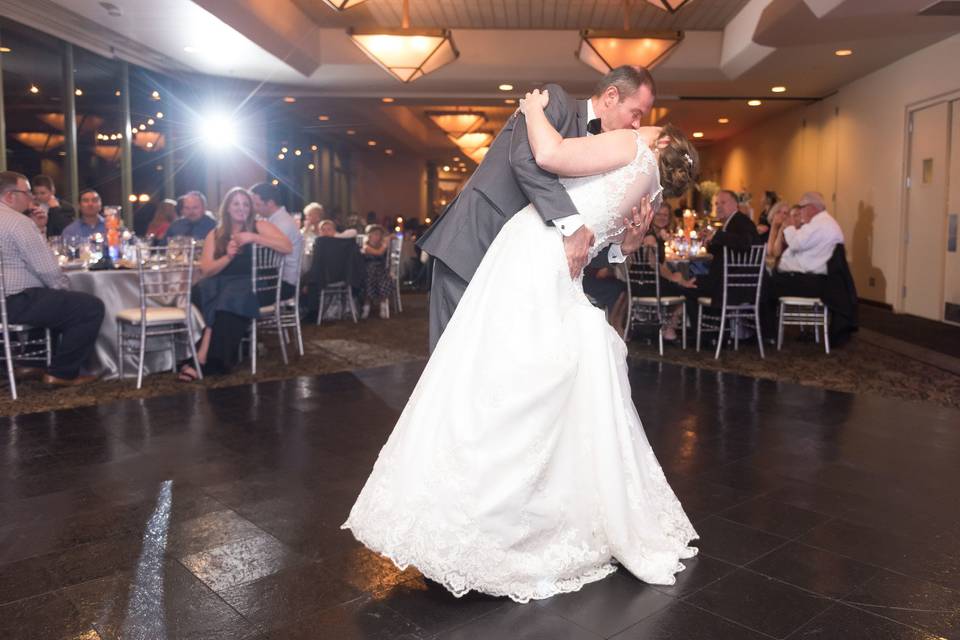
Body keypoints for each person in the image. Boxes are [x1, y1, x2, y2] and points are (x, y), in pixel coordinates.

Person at [343, 89, 699, 603]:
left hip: (532, 255)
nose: (638, 123)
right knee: (515, 378)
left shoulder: (624, 142)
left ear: (660, 141)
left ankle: (474, 514)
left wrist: (530, 109)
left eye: (645, 121)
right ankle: (499, 506)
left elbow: (548, 157)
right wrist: (624, 238)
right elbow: (620, 246)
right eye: (637, 113)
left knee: (487, 378)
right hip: (537, 259)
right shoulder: (653, 186)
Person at [418, 65, 657, 352]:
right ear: (610, 96)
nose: (636, 125)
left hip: (518, 272)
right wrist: (574, 226)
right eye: (636, 113)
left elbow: (580, 249)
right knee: (454, 358)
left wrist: (623, 248)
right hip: (475, 245)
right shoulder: (554, 100)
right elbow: (525, 161)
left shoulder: (604, 154)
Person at [0, 172, 103, 386]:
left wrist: (39, 229)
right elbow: (47, 270)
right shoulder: (17, 222)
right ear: (10, 196)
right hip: (14, 300)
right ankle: (61, 373)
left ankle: (31, 363)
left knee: (50, 301)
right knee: (89, 307)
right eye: (26, 192)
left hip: (9, 300)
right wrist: (63, 289)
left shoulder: (20, 222)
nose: (31, 198)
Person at [177, 188, 292, 380]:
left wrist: (253, 237)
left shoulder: (260, 225)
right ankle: (210, 357)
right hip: (224, 284)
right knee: (202, 290)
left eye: (246, 204)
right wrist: (228, 257)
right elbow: (207, 270)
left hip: (258, 284)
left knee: (229, 297)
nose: (241, 208)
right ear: (227, 208)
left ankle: (203, 358)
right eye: (236, 204)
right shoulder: (215, 234)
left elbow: (287, 246)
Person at [761, 191, 845, 338]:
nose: (800, 211)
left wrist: (788, 227)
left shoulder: (819, 224)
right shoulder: (821, 222)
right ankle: (767, 331)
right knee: (767, 280)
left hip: (811, 282)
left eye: (802, 207)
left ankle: (766, 333)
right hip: (810, 279)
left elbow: (796, 243)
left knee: (763, 284)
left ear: (811, 208)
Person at [683, 189, 760, 324]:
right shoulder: (730, 223)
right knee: (690, 280)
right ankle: (712, 332)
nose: (718, 207)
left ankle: (706, 335)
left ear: (735, 205)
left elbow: (746, 242)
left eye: (723, 203)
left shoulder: (741, 221)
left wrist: (716, 236)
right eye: (716, 204)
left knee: (686, 285)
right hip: (727, 281)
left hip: (735, 285)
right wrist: (709, 241)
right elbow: (723, 250)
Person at [250, 182, 302, 301]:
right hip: (273, 279)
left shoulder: (282, 223)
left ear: (270, 203)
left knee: (240, 290)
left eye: (256, 204)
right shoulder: (271, 220)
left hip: (282, 284)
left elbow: (267, 260)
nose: (253, 208)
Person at [360, 224, 393, 319]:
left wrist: (389, 238)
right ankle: (366, 308)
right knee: (369, 280)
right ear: (369, 235)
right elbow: (378, 253)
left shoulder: (382, 245)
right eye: (375, 234)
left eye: (379, 234)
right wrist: (385, 244)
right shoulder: (366, 246)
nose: (377, 236)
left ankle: (383, 306)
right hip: (368, 270)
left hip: (381, 270)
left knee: (384, 279)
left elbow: (393, 237)